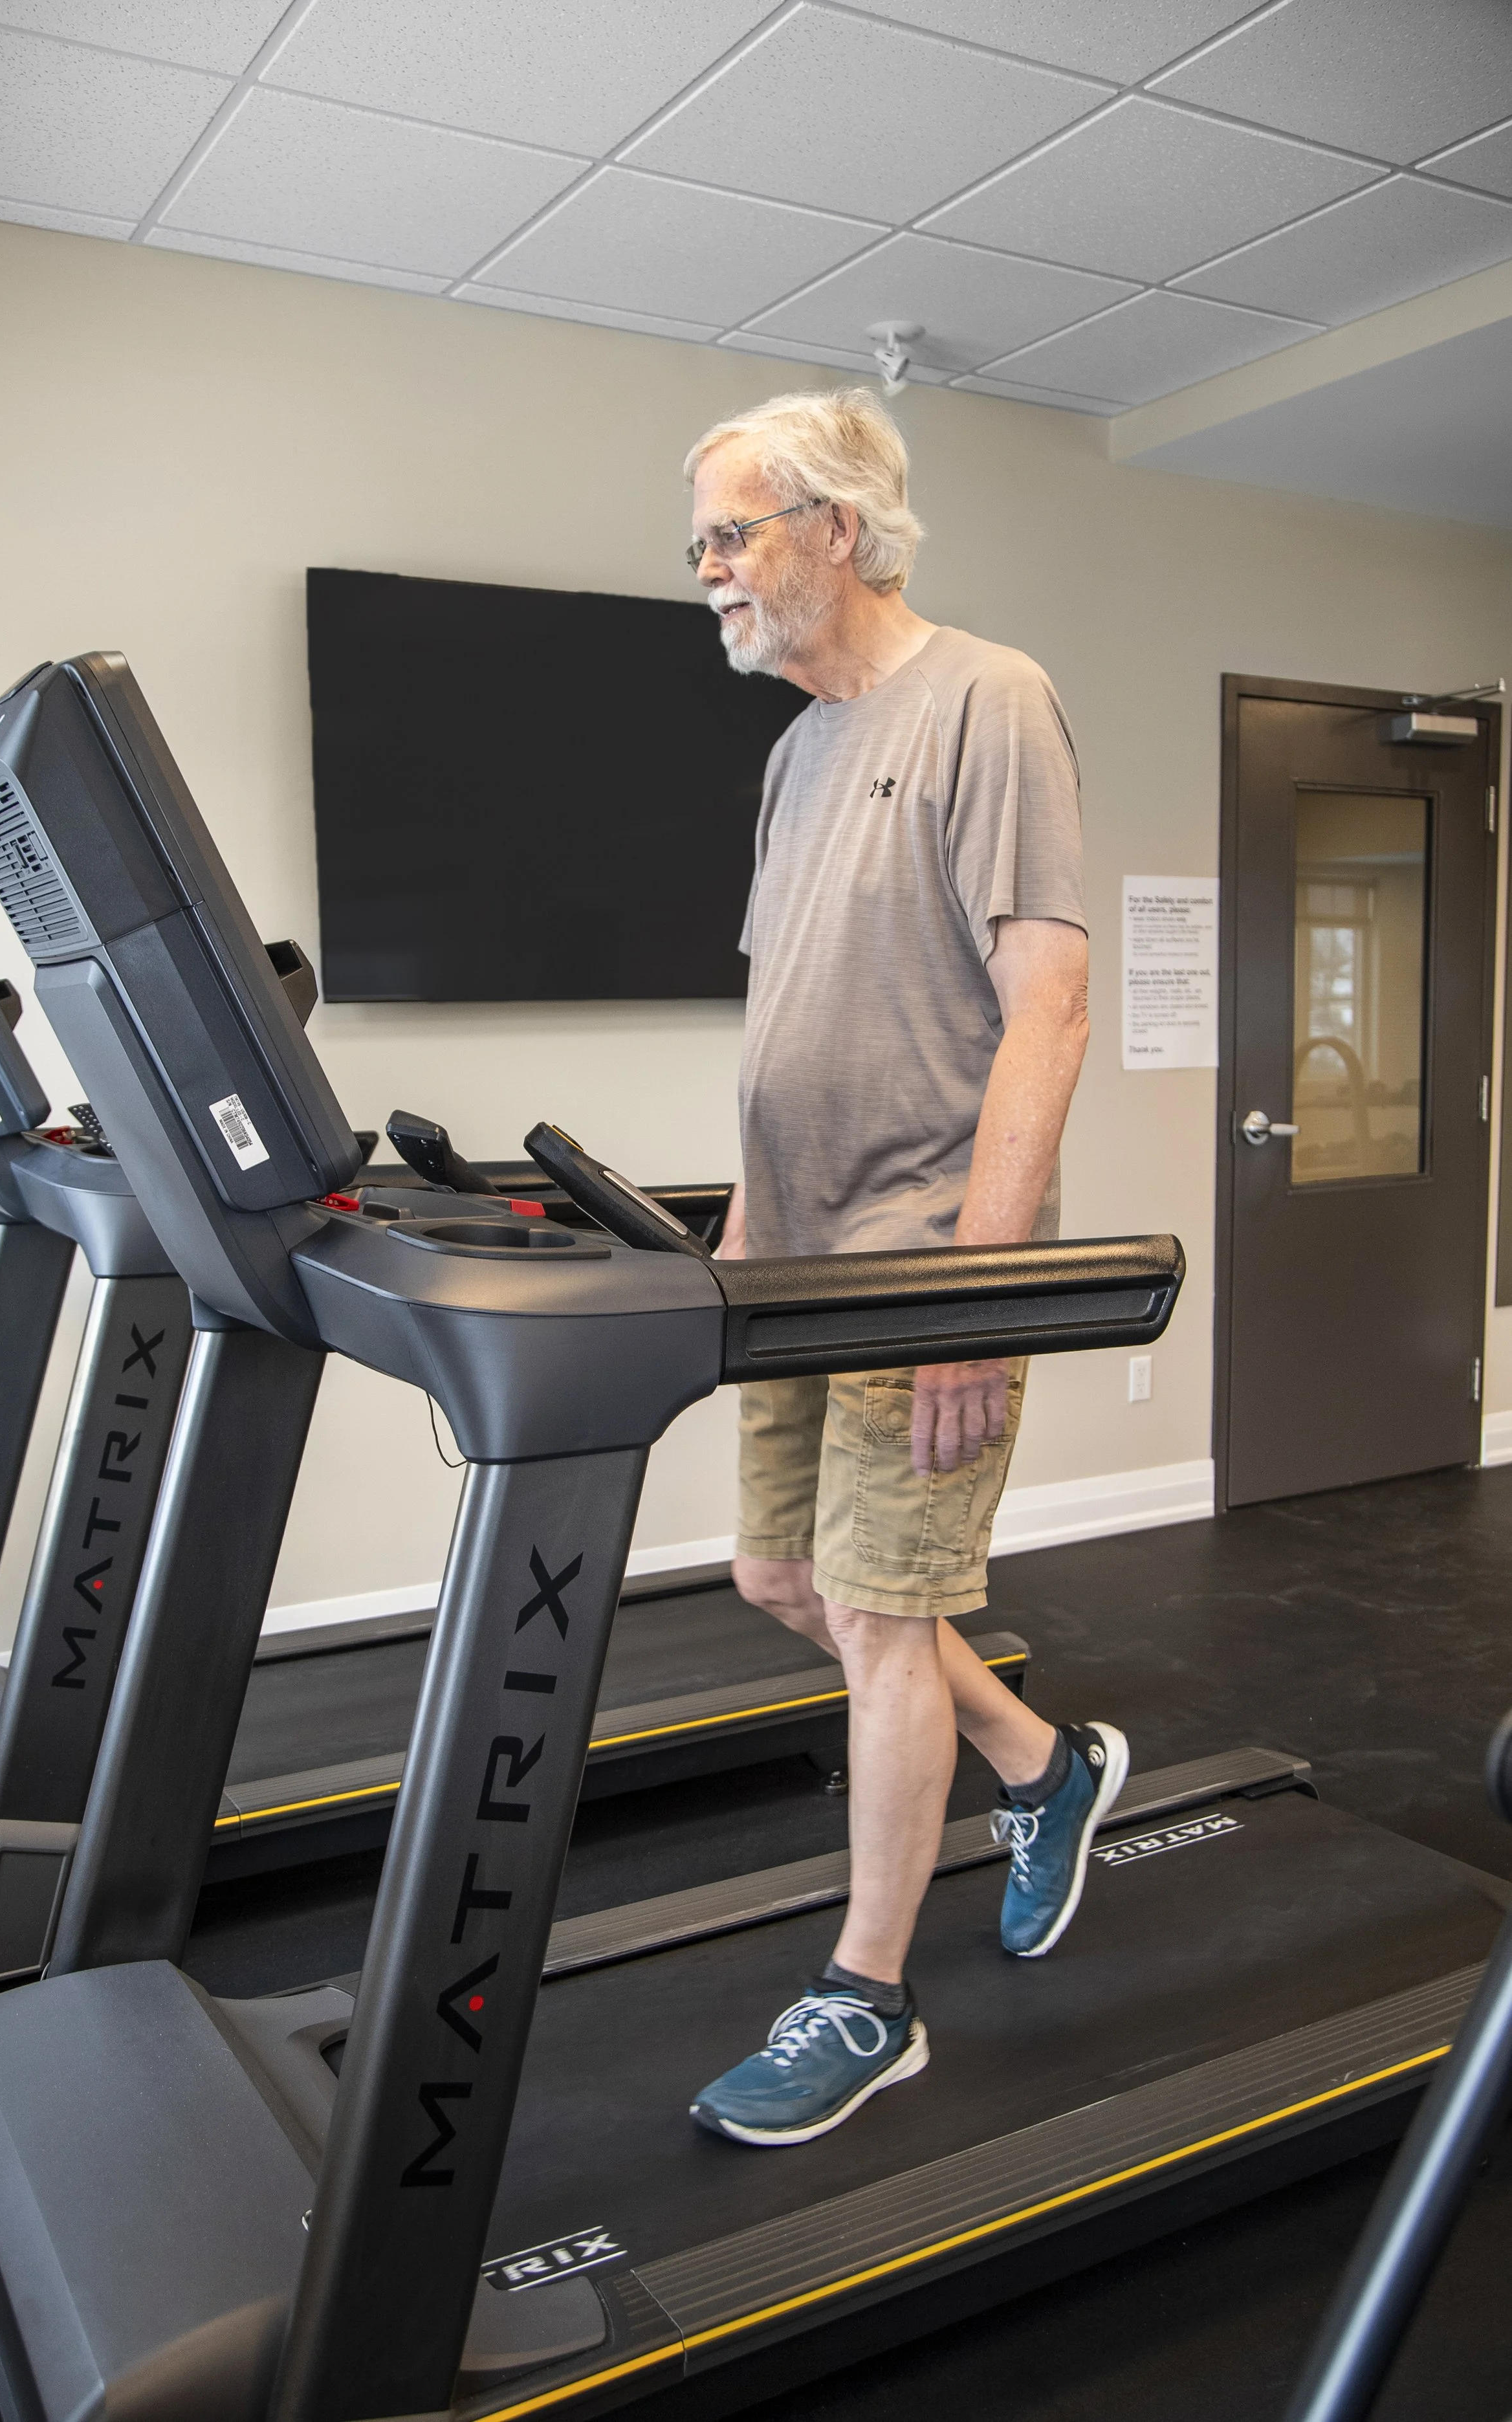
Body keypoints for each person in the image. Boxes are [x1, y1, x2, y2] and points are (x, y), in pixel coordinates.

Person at [683, 388, 1125, 2149]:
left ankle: (866, 1993)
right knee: (777, 1573)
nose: (707, 569)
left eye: (730, 533)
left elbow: (1050, 1006)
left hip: (912, 1257)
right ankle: (1043, 1763)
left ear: (833, 530)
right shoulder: (795, 754)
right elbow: (783, 1022)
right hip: (790, 1261)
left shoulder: (988, 700)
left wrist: (979, 1299)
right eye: (700, 541)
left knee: (877, 1615)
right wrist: (732, 1239)